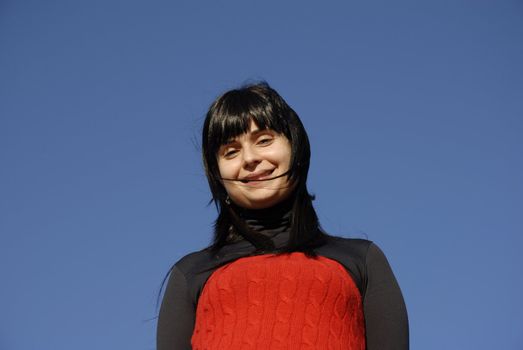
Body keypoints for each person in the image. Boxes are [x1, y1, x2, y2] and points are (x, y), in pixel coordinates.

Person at [157, 82, 409, 350]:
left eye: (264, 140)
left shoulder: (362, 261)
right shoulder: (190, 274)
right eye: (230, 151)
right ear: (217, 175)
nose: (249, 158)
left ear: (295, 147)